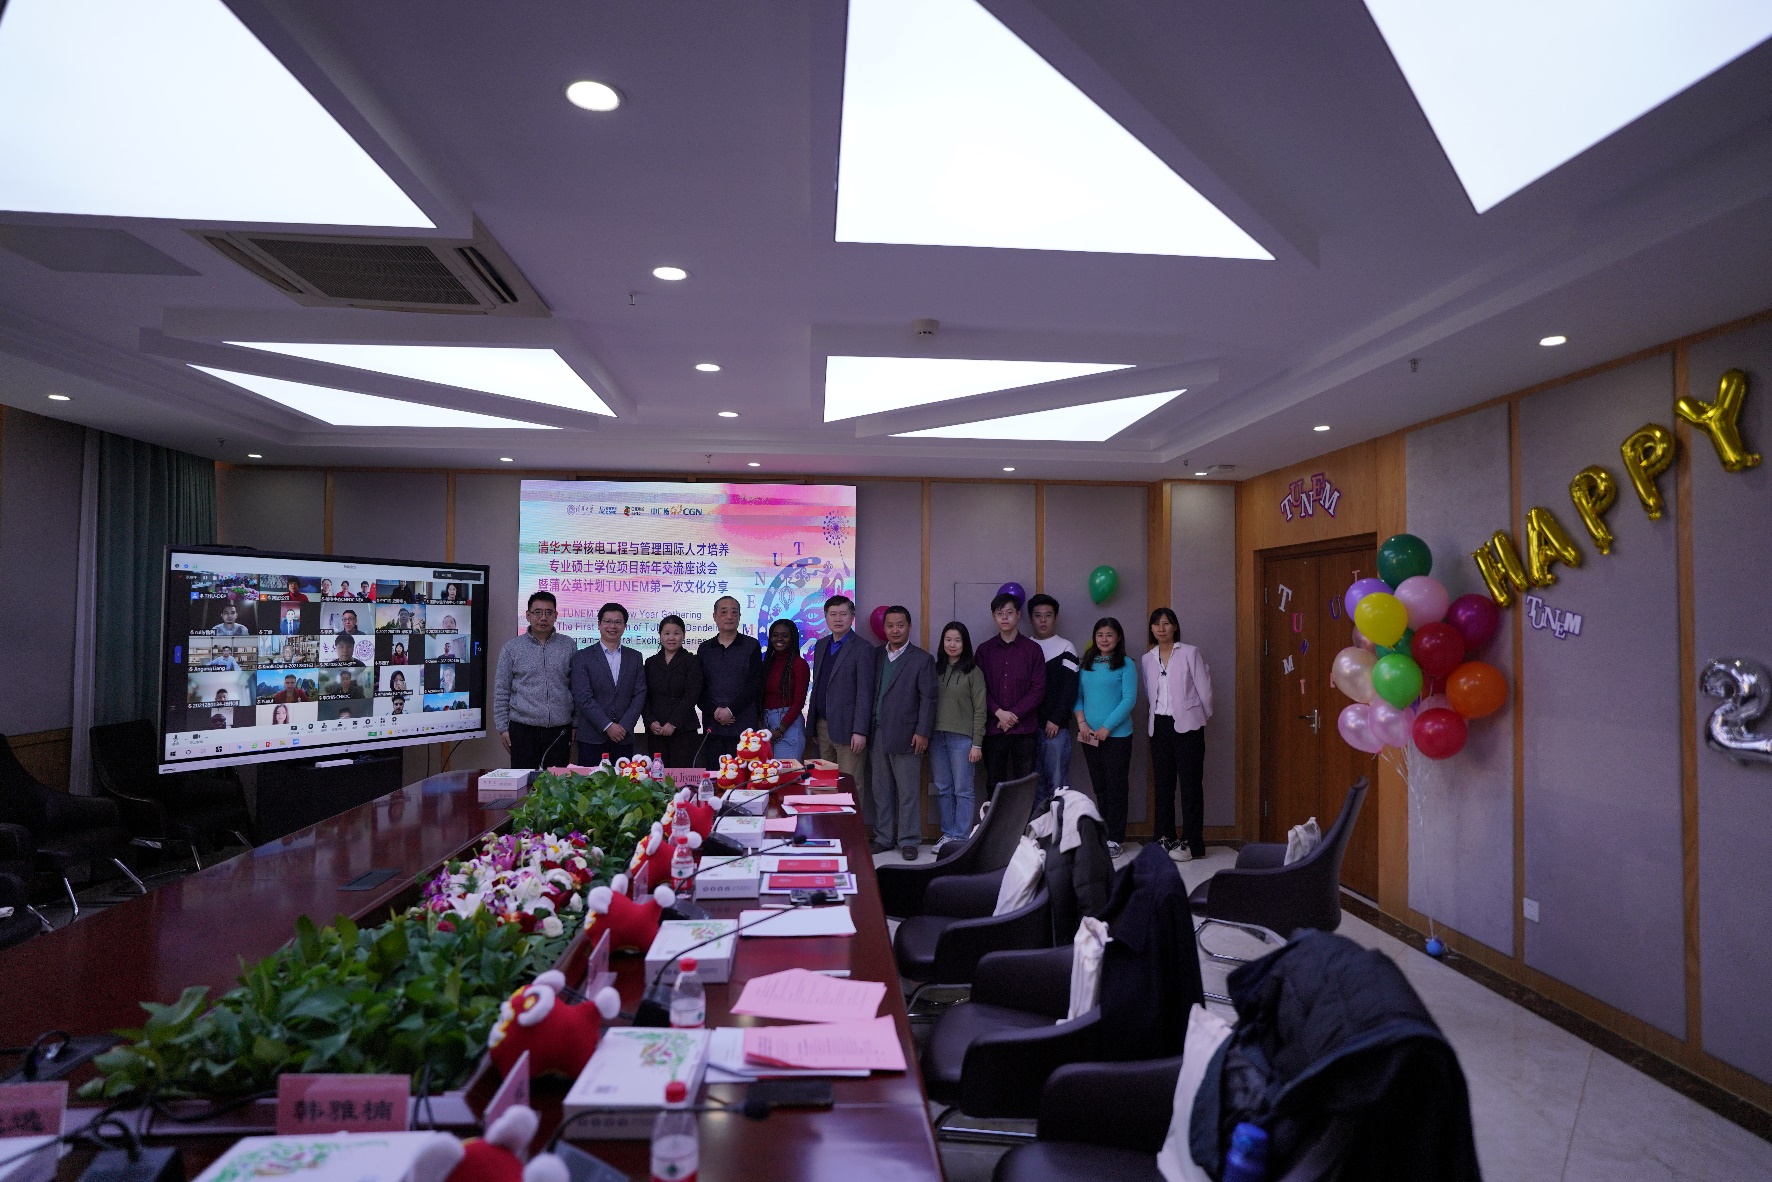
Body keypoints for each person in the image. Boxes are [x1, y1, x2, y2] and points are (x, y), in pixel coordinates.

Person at [1141, 607, 1213, 862]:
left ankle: (1192, 842)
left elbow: (1204, 689)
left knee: (1190, 786)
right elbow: (1150, 692)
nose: (1161, 628)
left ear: (1175, 627)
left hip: (1188, 726)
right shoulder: (1147, 658)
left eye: (1166, 623)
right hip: (1159, 726)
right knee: (1163, 785)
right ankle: (1165, 836)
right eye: (1156, 624)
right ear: (1151, 629)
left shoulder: (1189, 652)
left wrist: (1201, 717)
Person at [868, 606, 938, 859]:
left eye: (900, 625)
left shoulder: (922, 659)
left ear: (909, 627)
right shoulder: (876, 655)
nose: (895, 630)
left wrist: (923, 732)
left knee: (908, 791)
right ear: (884, 628)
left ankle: (909, 840)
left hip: (909, 735)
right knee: (881, 790)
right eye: (890, 625)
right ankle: (884, 837)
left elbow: (929, 698)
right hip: (877, 733)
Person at [808, 595, 877, 831]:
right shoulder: (821, 645)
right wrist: (813, 724)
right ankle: (829, 829)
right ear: (826, 617)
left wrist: (860, 730)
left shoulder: (863, 649)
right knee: (825, 782)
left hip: (850, 730)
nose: (838, 619)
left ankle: (851, 833)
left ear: (852, 617)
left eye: (843, 614)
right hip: (823, 725)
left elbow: (865, 693)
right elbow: (818, 685)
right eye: (833, 614)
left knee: (851, 783)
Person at [1073, 617, 1139, 858]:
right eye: (1100, 634)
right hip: (1088, 735)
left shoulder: (1126, 664)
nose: (1104, 639)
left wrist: (1106, 728)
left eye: (1109, 635)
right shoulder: (1087, 663)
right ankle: (1103, 834)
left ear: (1118, 637)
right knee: (1100, 787)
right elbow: (1077, 697)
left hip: (1117, 736)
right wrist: (1082, 723)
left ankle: (1115, 838)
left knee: (1116, 787)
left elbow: (1129, 699)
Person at [494, 590, 578, 770]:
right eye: (537, 612)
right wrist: (502, 728)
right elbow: (502, 690)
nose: (543, 618)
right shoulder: (512, 648)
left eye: (548, 612)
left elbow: (576, 687)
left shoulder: (568, 645)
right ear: (528, 615)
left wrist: (575, 724)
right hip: (522, 729)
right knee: (524, 783)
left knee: (558, 783)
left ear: (556, 615)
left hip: (559, 729)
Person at [975, 592, 1045, 792]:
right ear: (994, 617)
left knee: (1025, 786)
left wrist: (1013, 715)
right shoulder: (984, 650)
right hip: (994, 729)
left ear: (1018, 615)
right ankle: (995, 816)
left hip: (1025, 730)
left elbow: (1038, 689)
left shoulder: (1033, 650)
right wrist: (999, 713)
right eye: (1000, 613)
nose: (1004, 617)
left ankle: (1023, 817)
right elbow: (978, 689)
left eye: (1009, 612)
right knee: (994, 784)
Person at [930, 622, 986, 854]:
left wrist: (977, 743)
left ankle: (961, 837)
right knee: (943, 788)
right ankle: (948, 834)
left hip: (963, 739)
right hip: (936, 737)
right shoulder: (935, 669)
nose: (952, 645)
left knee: (963, 789)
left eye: (957, 640)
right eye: (948, 640)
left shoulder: (973, 672)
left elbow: (980, 709)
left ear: (965, 644)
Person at [570, 601, 647, 763]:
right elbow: (583, 697)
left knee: (624, 779)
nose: (612, 626)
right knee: (591, 779)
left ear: (624, 626)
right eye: (608, 621)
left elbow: (640, 694)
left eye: (618, 622)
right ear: (599, 624)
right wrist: (607, 726)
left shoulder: (635, 657)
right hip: (592, 737)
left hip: (623, 737)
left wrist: (624, 726)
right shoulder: (583, 656)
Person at [1027, 593, 1080, 810]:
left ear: (1055, 618)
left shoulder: (1066, 647)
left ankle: (1059, 829)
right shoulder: (1026, 647)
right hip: (1029, 729)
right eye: (1038, 615)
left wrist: (1056, 719)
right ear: (1030, 618)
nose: (1043, 620)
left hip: (1056, 729)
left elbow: (1070, 688)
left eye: (1048, 615)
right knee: (1034, 787)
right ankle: (1038, 828)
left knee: (1057, 785)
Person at [697, 595, 762, 768]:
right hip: (713, 724)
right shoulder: (705, 649)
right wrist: (715, 711)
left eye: (734, 612)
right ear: (714, 616)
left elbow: (755, 684)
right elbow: (699, 687)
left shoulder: (751, 645)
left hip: (744, 726)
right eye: (724, 612)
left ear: (739, 616)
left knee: (744, 775)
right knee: (715, 775)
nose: (729, 616)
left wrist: (731, 710)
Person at [644, 614, 703, 770]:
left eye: (676, 633)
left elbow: (692, 695)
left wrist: (673, 723)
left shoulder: (692, 661)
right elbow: (644, 696)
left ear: (683, 635)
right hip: (656, 731)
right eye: (667, 633)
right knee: (658, 777)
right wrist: (650, 721)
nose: (671, 638)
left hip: (684, 730)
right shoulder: (650, 663)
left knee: (682, 777)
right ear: (660, 635)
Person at [760, 619, 810, 762]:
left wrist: (780, 730)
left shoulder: (799, 664)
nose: (779, 639)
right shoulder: (767, 663)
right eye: (775, 635)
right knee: (766, 774)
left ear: (792, 638)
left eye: (785, 635)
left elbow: (798, 703)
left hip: (788, 726)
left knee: (785, 774)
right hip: (766, 725)